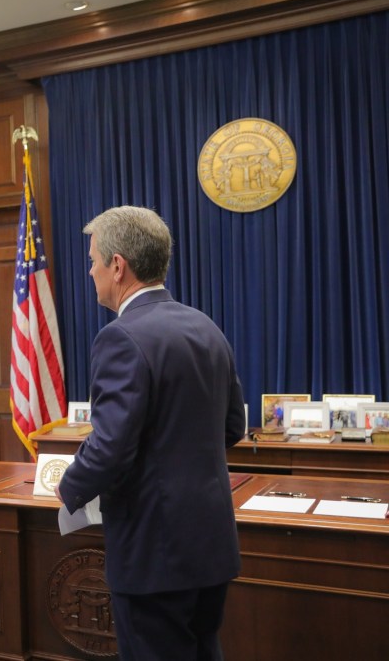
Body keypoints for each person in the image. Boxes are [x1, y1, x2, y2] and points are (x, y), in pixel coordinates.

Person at [55, 206, 245, 660]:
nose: (91, 270)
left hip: (154, 548)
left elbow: (110, 449)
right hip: (210, 539)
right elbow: (233, 427)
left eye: (94, 259)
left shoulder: (120, 336)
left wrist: (69, 486)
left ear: (118, 266)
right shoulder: (206, 326)